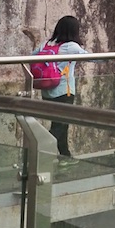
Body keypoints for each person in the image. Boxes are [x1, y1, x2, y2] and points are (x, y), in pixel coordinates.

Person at [35, 15, 86, 157]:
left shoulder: (47, 44)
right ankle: (38, 153)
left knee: (61, 124)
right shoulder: (71, 47)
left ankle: (65, 156)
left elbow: (32, 57)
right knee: (60, 126)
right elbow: (93, 58)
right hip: (64, 92)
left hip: (47, 92)